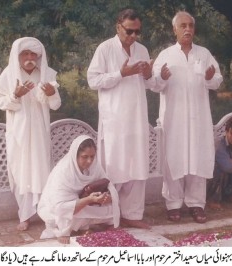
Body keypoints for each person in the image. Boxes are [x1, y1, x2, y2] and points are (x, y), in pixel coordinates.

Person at [152, 11, 223, 223]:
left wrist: (211, 79)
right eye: (183, 25)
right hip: (174, 118)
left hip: (199, 117)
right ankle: (173, 204)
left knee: (198, 158)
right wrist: (161, 79)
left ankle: (196, 204)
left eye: (191, 26)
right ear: (174, 29)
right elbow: (154, 84)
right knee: (174, 159)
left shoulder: (204, 53)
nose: (188, 29)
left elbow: (218, 78)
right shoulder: (165, 55)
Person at [87, 9, 154, 229]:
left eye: (137, 32)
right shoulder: (105, 49)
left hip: (137, 117)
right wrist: (120, 74)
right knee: (115, 167)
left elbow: (149, 85)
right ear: (118, 27)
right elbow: (93, 81)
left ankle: (132, 214)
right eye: (129, 31)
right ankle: (109, 215)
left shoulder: (142, 49)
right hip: (114, 118)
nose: (133, 36)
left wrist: (147, 75)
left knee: (137, 166)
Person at [0, 37, 62, 231]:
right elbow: (0, 103)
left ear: (39, 56)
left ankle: (45, 212)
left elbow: (56, 105)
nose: (30, 57)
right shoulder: (8, 75)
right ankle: (24, 215)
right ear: (18, 55)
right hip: (18, 133)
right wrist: (16, 94)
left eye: (34, 54)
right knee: (21, 170)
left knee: (42, 170)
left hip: (40, 132)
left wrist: (51, 93)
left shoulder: (47, 74)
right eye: (26, 53)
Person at [38, 135, 120, 244]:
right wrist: (89, 200)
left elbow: (108, 185)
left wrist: (107, 197)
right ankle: (68, 229)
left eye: (92, 156)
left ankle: (85, 225)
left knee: (113, 210)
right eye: (84, 157)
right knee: (67, 217)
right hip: (62, 209)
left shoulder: (95, 166)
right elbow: (60, 208)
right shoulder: (63, 171)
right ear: (75, 155)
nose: (89, 161)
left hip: (84, 205)